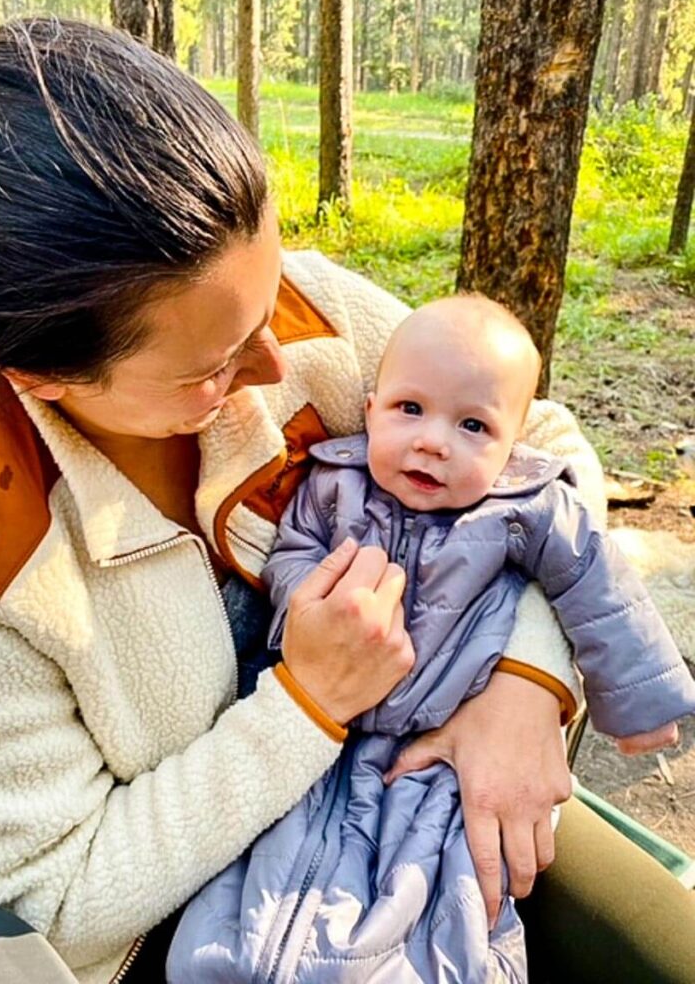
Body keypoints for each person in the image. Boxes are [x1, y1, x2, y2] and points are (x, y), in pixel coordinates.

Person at [0, 17, 692, 984]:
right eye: (214, 365)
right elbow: (64, 899)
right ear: (41, 377)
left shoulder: (294, 304)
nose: (281, 364)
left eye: (267, 299)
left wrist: (526, 685)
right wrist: (309, 702)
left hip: (439, 793)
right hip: (199, 921)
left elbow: (538, 445)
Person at [166, 297, 695, 983]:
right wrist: (308, 602)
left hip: (438, 760)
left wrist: (639, 699)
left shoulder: (525, 509)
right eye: (410, 410)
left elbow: (600, 587)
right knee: (260, 893)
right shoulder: (331, 482)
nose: (433, 441)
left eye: (473, 425)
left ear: (512, 450)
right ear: (371, 407)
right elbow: (289, 554)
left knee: (445, 901)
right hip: (312, 742)